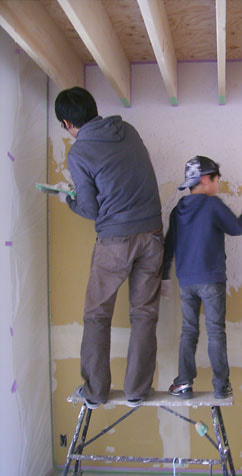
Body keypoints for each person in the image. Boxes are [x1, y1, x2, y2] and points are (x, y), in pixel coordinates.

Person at [55, 87, 163, 409]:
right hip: (153, 234)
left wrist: (67, 197)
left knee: (97, 316)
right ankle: (137, 390)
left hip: (116, 240)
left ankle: (96, 392)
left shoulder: (79, 152)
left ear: (67, 124)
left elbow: (90, 208)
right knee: (144, 314)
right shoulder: (128, 130)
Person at [162, 155, 242, 399]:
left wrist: (164, 276)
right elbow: (237, 228)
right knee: (215, 332)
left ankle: (183, 383)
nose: (218, 184)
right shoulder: (212, 205)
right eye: (216, 179)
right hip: (212, 279)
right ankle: (221, 386)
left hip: (186, 281)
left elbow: (168, 245)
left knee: (189, 331)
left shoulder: (177, 211)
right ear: (205, 179)